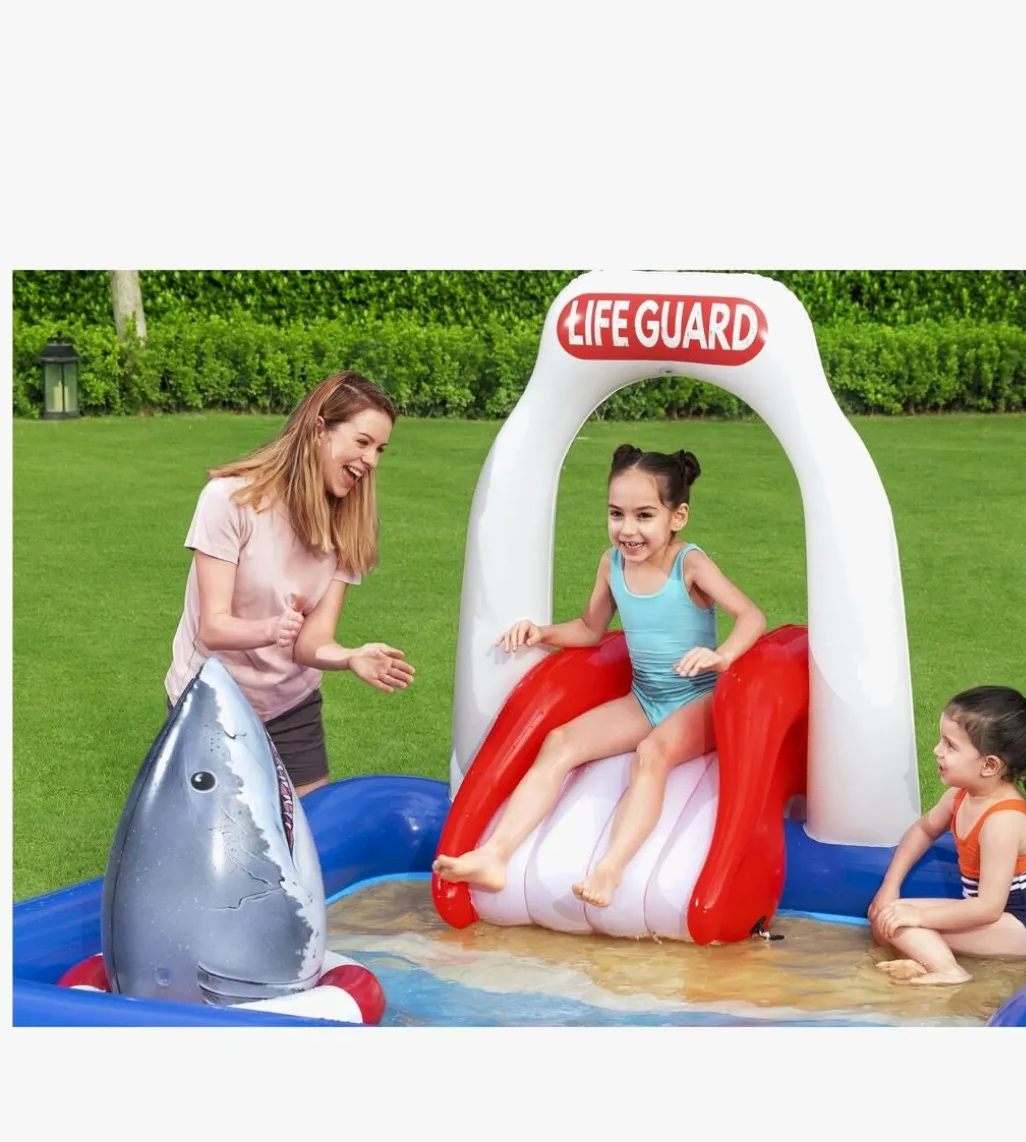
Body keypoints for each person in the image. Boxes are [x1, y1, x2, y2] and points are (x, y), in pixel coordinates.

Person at [433, 442, 767, 908]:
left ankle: (610, 870)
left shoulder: (689, 564)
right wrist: (541, 632)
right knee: (560, 741)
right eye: (616, 514)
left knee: (651, 754)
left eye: (644, 516)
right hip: (645, 699)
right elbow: (591, 629)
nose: (627, 530)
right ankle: (495, 855)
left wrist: (722, 655)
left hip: (699, 700)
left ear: (677, 516)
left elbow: (751, 615)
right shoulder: (611, 565)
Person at [164, 370, 415, 795]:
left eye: (380, 450)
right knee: (222, 828)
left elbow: (310, 643)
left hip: (291, 703)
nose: (371, 460)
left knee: (307, 826)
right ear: (319, 430)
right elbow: (213, 628)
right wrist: (271, 629)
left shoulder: (349, 525)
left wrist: (351, 657)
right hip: (212, 696)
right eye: (362, 442)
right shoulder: (231, 500)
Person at [868, 686, 1026, 986]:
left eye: (950, 745)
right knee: (885, 918)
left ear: (989, 765)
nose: (937, 750)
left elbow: (987, 908)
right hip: (988, 917)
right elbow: (923, 829)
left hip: (1019, 929)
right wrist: (890, 887)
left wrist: (921, 917)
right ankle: (926, 962)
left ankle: (950, 972)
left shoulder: (1002, 821)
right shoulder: (959, 797)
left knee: (900, 925)